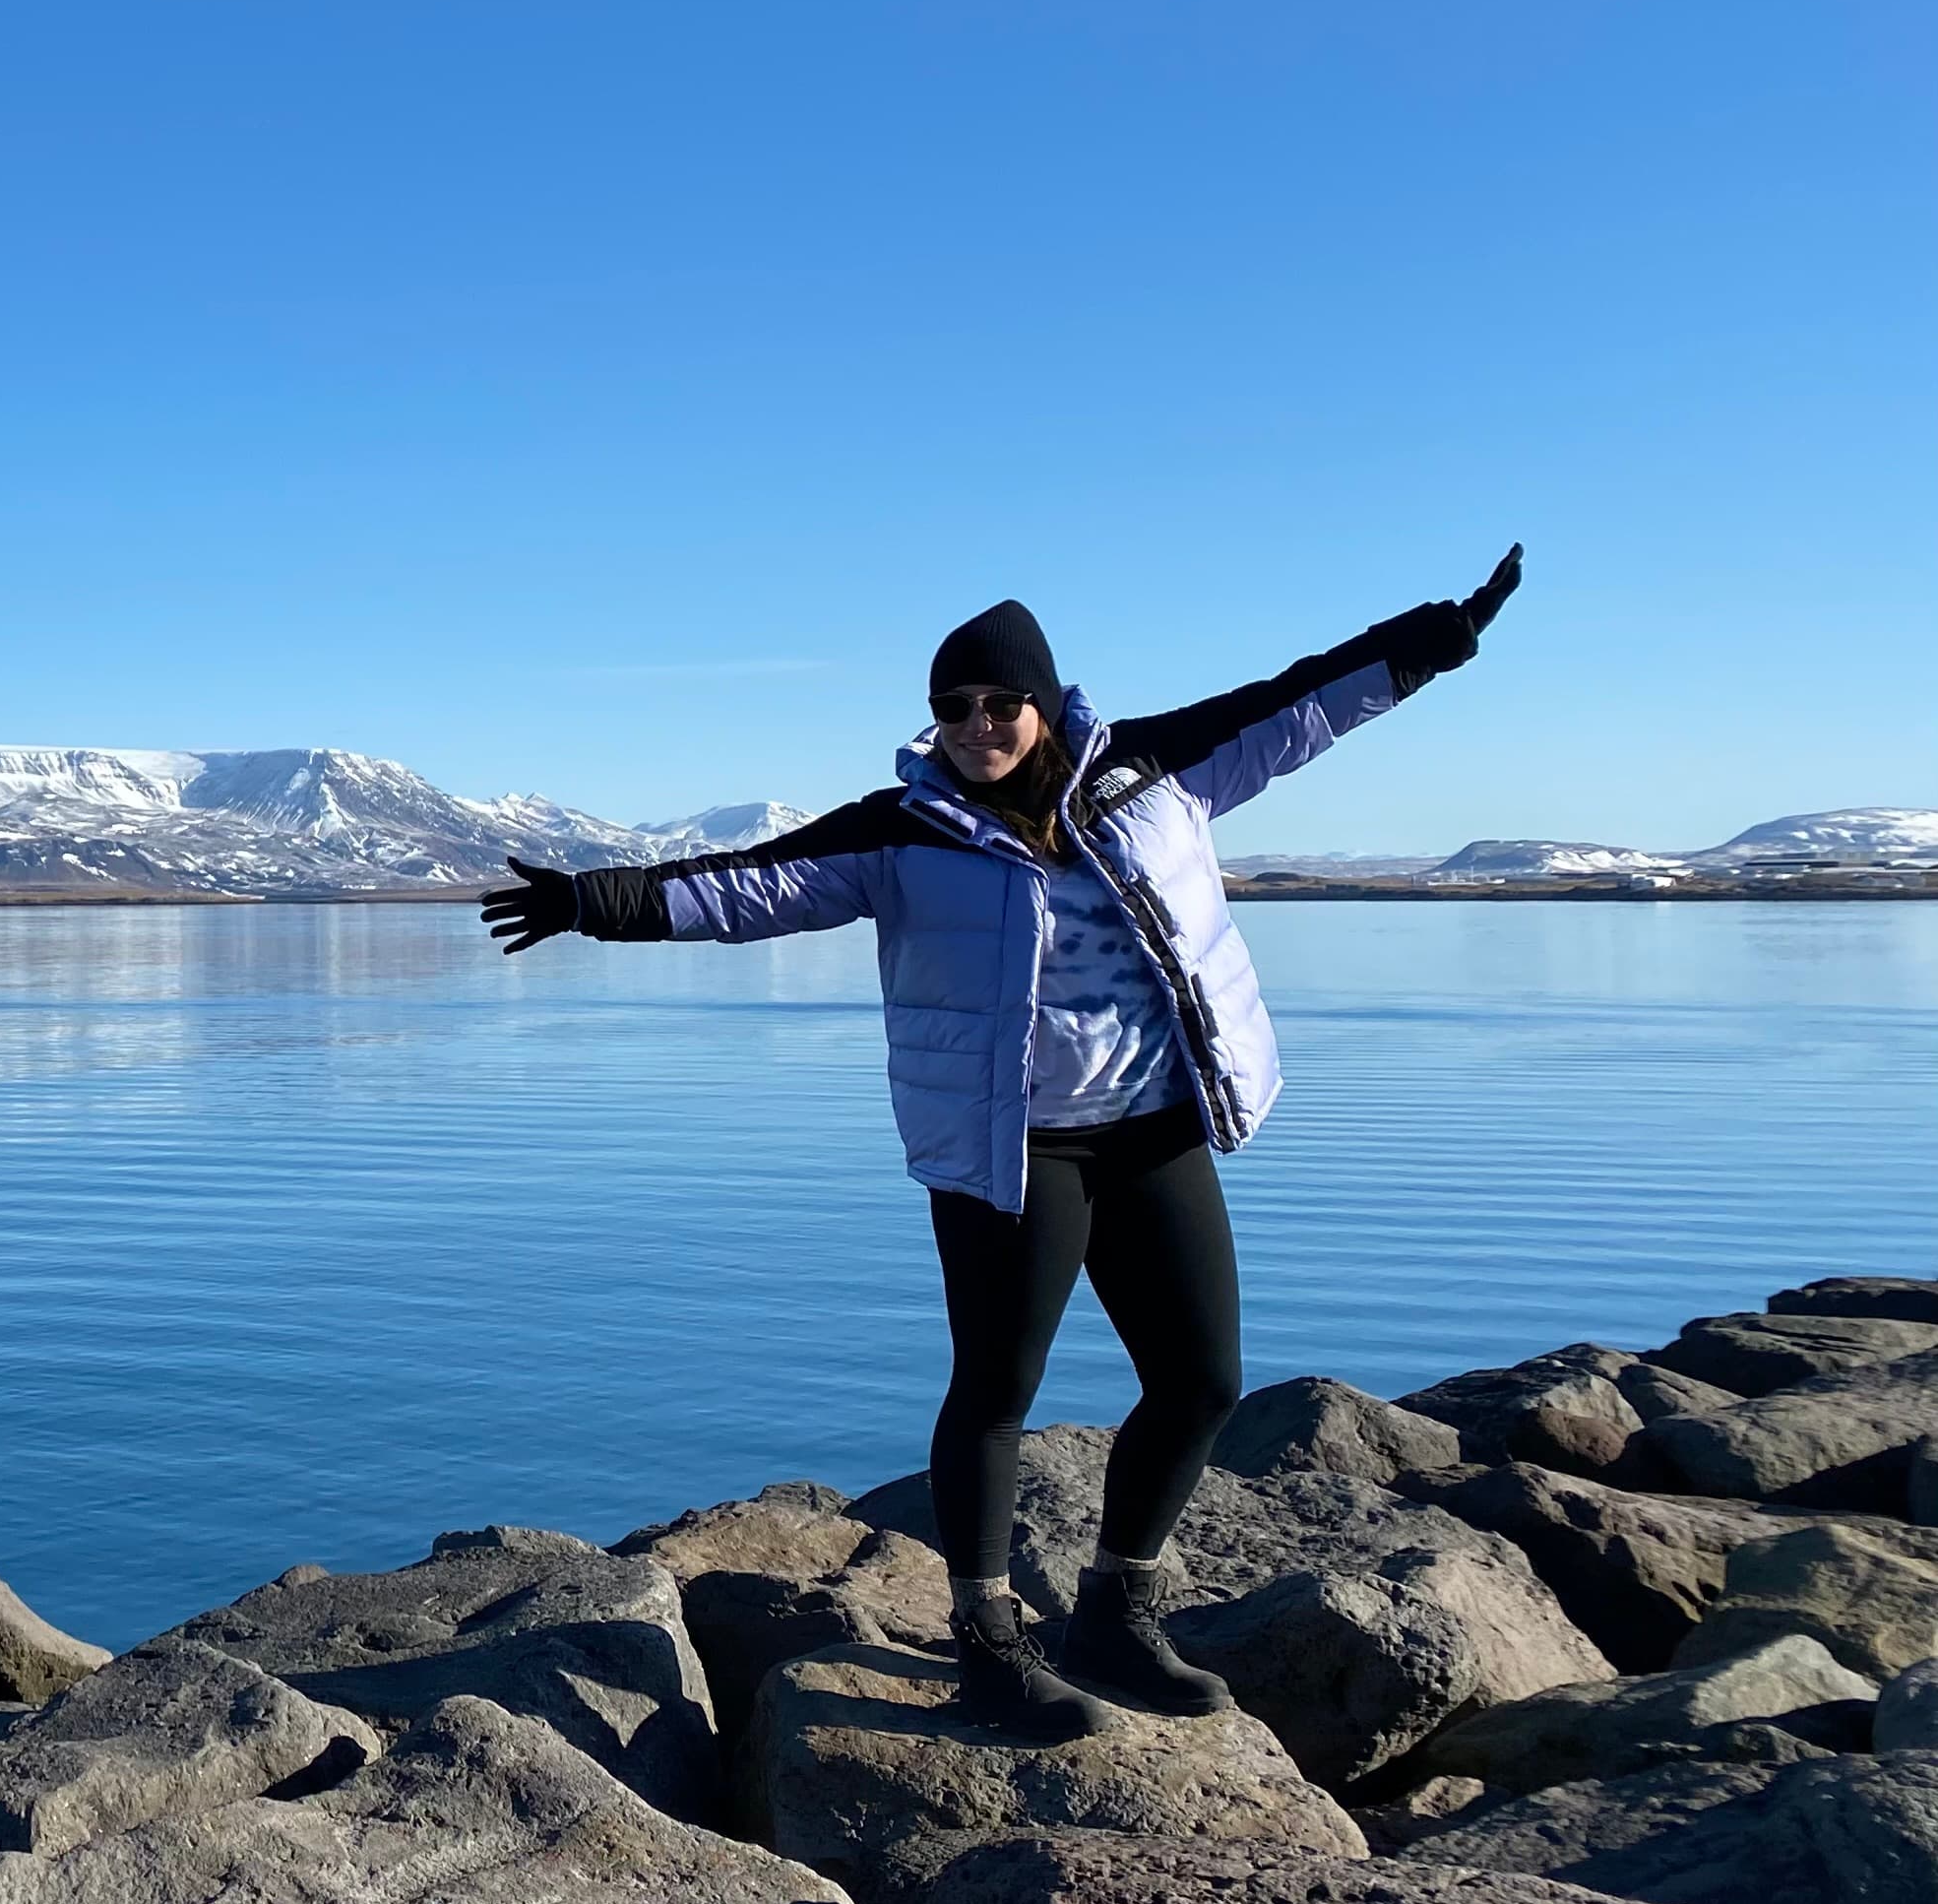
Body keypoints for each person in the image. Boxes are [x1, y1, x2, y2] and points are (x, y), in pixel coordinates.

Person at [483, 547, 1524, 1741]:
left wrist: (1436, 637)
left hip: (1153, 1125)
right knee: (994, 1391)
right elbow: (745, 888)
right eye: (951, 707)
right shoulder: (902, 830)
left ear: (1042, 701)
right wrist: (586, 902)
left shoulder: (1152, 769)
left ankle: (1115, 1613)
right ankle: (985, 1642)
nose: (976, 724)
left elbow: (1301, 702)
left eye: (997, 702)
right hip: (1013, 1150)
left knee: (1200, 1379)